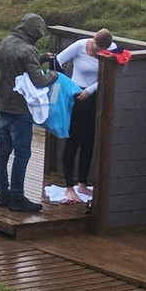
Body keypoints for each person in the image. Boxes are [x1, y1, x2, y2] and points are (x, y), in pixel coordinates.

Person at [0, 13, 54, 213]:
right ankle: (17, 198)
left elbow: (19, 64)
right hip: (20, 110)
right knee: (22, 154)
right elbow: (39, 81)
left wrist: (41, 58)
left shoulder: (6, 43)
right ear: (34, 33)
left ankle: (3, 194)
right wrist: (54, 75)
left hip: (2, 105)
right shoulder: (28, 50)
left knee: (3, 152)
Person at [55, 29, 113, 203]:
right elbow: (57, 61)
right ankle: (68, 186)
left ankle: (82, 183)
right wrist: (68, 86)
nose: (97, 51)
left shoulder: (111, 49)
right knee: (73, 140)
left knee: (89, 140)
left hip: (93, 98)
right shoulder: (80, 45)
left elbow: (109, 73)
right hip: (76, 96)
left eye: (100, 49)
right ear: (93, 40)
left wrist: (90, 90)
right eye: (95, 47)